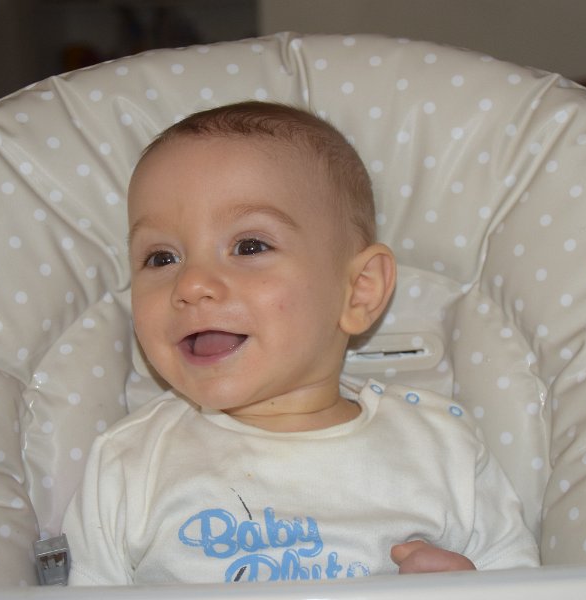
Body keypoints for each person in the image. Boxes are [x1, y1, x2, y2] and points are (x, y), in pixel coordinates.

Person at [62, 101, 539, 585]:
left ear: (359, 290)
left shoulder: (440, 449)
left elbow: (533, 587)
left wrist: (466, 586)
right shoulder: (130, 463)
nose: (192, 283)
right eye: (161, 258)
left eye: (249, 246)